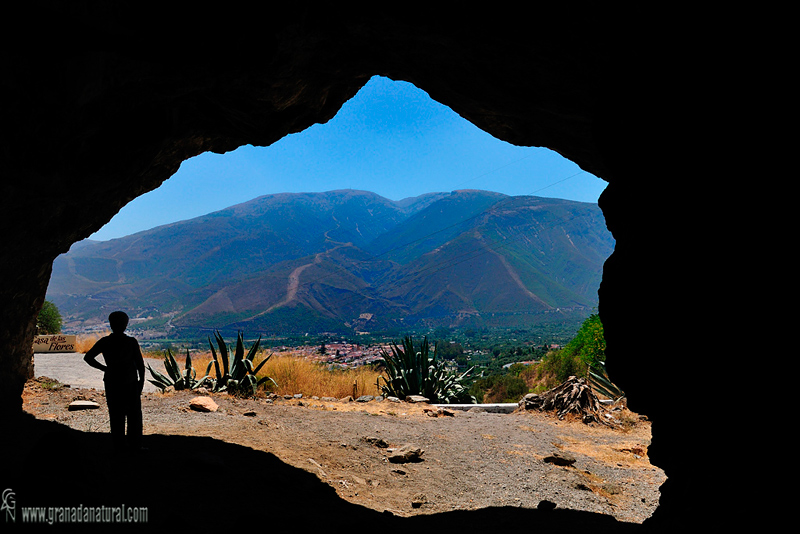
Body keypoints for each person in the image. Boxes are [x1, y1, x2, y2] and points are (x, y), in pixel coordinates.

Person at [83, 311, 145, 452]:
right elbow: (140, 364)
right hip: (130, 382)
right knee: (134, 415)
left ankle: (118, 446)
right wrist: (140, 382)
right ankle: (135, 446)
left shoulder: (105, 342)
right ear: (125, 324)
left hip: (112, 382)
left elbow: (88, 358)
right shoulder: (131, 342)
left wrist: (105, 369)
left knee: (116, 414)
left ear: (111, 324)